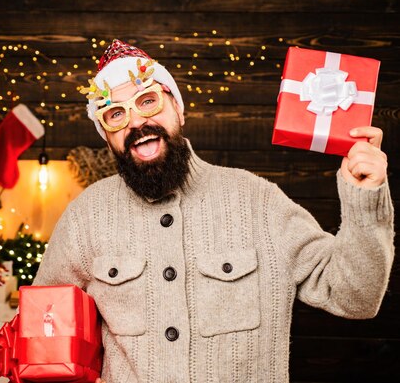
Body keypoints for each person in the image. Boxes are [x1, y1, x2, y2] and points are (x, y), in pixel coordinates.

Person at [33, 40, 394, 382]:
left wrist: (365, 198)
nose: (136, 123)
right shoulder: (86, 217)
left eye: (148, 101)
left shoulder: (258, 201)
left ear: (178, 107)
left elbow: (355, 296)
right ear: (106, 135)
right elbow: (42, 333)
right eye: (115, 114)